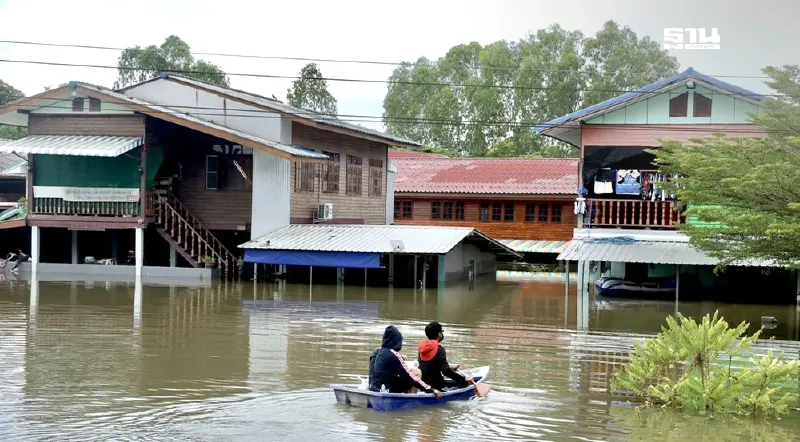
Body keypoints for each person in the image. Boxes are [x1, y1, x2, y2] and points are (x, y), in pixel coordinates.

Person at [369, 325, 443, 399]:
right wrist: (431, 389)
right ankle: (412, 399)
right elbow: (410, 377)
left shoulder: (377, 352)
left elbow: (372, 373)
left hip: (373, 388)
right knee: (416, 372)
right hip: (388, 391)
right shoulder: (395, 356)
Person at [418, 322, 472, 391]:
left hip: (423, 383)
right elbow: (446, 371)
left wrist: (451, 367)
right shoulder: (439, 349)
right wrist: (463, 378)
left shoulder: (422, 347)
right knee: (465, 383)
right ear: (439, 334)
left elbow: (429, 364)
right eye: (441, 332)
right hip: (438, 384)